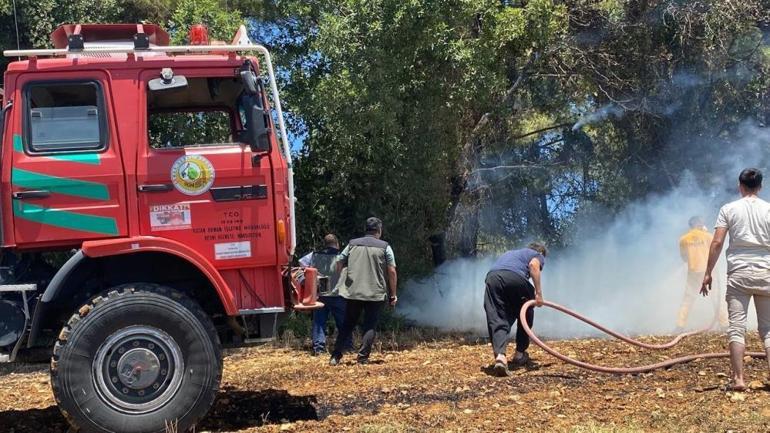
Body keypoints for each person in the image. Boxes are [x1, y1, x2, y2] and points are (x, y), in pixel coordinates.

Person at [702, 168, 770, 391]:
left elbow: (717, 243)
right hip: (766, 272)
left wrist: (708, 272)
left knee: (737, 328)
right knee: (768, 330)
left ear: (740, 185)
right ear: (760, 186)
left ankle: (739, 380)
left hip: (738, 273)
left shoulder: (728, 209)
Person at [330, 217, 397, 366]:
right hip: (375, 293)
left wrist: (339, 281)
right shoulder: (385, 247)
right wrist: (393, 295)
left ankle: (335, 356)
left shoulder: (352, 244)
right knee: (370, 325)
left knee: (348, 323)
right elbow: (392, 271)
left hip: (353, 291)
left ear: (365, 229)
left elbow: (339, 261)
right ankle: (362, 358)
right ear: (379, 230)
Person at [484, 242, 547, 377]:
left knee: (498, 316)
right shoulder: (538, 255)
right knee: (526, 312)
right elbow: (533, 265)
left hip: (492, 278)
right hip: (515, 278)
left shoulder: (510, 253)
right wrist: (538, 294)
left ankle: (500, 356)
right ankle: (519, 354)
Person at [298, 234, 353, 356]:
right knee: (343, 322)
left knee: (319, 322)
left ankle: (319, 349)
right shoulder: (341, 256)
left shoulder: (315, 255)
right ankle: (347, 347)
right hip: (338, 294)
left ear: (325, 244)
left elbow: (301, 262)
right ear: (337, 244)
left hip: (321, 294)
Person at [677, 216, 728, 331]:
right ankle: (724, 325)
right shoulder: (709, 236)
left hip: (693, 272)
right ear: (700, 224)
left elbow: (684, 258)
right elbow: (715, 251)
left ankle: (680, 325)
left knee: (688, 299)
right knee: (715, 298)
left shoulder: (683, 239)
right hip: (708, 273)